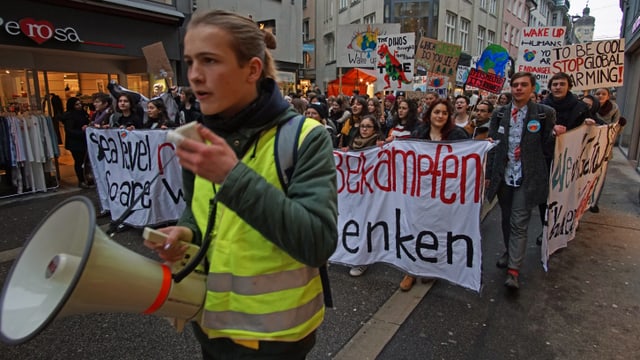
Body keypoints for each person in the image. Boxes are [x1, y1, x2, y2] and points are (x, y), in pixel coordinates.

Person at [143, 10, 337, 359]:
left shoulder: (306, 138)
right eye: (189, 62)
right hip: (210, 325)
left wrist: (232, 177)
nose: (195, 76)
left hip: (277, 340)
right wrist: (184, 234)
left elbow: (317, 242)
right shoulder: (199, 135)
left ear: (252, 70)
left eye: (210, 60)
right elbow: (197, 210)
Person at [485, 72, 556, 290]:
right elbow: (493, 147)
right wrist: (488, 175)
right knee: (506, 218)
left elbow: (548, 148)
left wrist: (556, 135)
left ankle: (514, 270)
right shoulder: (499, 114)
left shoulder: (545, 114)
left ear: (532, 88)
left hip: (528, 176)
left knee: (519, 221)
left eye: (524, 85)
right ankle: (509, 251)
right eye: (515, 85)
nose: (518, 88)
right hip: (503, 175)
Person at [61, 97, 91, 188]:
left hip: (83, 141)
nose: (79, 106)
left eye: (80, 104)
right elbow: (69, 130)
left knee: (85, 161)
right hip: (75, 143)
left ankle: (87, 178)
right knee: (79, 161)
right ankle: (81, 180)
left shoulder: (82, 113)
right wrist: (82, 133)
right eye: (77, 104)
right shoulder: (70, 116)